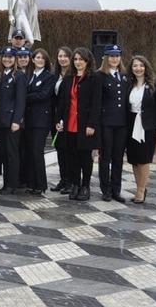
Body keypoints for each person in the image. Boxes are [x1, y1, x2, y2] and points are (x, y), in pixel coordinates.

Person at [55, 48, 102, 201]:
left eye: (81, 59)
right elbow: (62, 103)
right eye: (75, 59)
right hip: (70, 124)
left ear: (87, 61)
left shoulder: (94, 79)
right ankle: (75, 184)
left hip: (85, 125)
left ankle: (85, 186)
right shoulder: (69, 79)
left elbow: (96, 104)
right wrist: (59, 121)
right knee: (72, 157)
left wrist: (92, 124)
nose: (78, 62)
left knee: (85, 158)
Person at [127, 55, 156, 204]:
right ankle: (138, 188)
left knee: (144, 159)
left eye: (141, 65)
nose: (138, 68)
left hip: (147, 127)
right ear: (131, 69)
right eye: (135, 66)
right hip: (131, 125)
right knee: (134, 160)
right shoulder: (129, 85)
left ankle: (141, 190)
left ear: (146, 67)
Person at [97, 45, 130, 203]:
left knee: (118, 158)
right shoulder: (100, 75)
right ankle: (106, 189)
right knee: (105, 157)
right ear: (105, 58)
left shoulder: (124, 76)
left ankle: (116, 189)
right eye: (111, 56)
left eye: (117, 56)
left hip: (122, 124)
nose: (114, 59)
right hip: (106, 123)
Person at [23, 48, 56, 195]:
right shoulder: (29, 75)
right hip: (29, 120)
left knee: (37, 151)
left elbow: (44, 95)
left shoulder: (49, 77)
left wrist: (25, 97)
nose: (40, 60)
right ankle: (31, 182)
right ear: (33, 59)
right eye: (37, 57)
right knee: (29, 151)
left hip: (41, 121)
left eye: (43, 58)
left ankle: (41, 184)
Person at [0, 47, 26, 195]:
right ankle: (6, 183)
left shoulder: (19, 75)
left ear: (15, 59)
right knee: (3, 153)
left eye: (10, 57)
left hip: (12, 121)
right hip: (0, 122)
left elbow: (20, 100)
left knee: (12, 154)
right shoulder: (0, 74)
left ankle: (12, 184)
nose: (7, 59)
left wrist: (17, 120)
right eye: (5, 57)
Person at [50, 46, 73, 194]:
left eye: (65, 56)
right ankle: (63, 179)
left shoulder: (72, 76)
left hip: (68, 118)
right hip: (56, 117)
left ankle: (70, 181)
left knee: (68, 150)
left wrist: (63, 119)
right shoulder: (55, 75)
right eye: (60, 56)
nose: (62, 59)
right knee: (60, 150)